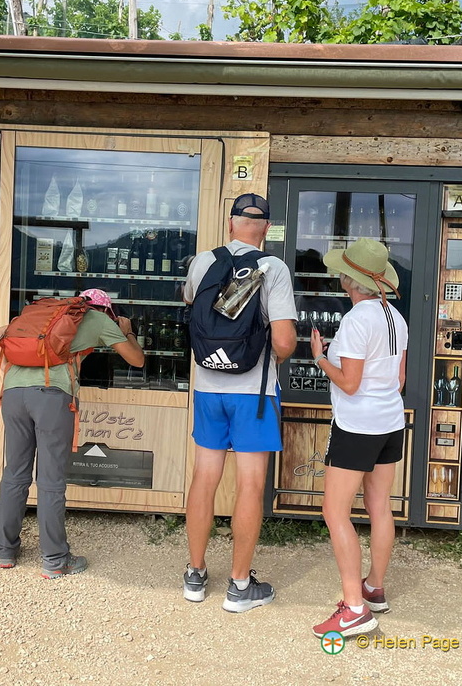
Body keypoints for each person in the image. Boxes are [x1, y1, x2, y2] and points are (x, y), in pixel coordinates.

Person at [181, 193, 297, 612]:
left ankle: (194, 575)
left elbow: (192, 306)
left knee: (204, 477)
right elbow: (283, 340)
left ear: (230, 225)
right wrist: (272, 355)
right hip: (254, 394)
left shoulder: (202, 261)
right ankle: (239, 586)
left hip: (208, 386)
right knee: (250, 484)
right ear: (265, 228)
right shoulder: (273, 267)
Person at [0, 288, 144, 578]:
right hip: (51, 395)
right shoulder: (100, 320)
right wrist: (127, 332)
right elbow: (137, 360)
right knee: (50, 480)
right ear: (106, 309)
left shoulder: (45, 316)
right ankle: (54, 559)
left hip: (12, 394)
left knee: (15, 473)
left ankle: (6, 551)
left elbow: (1, 332)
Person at [309, 238, 408, 639]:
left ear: (348, 279)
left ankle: (353, 608)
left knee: (335, 513)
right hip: (390, 422)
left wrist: (320, 357)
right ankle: (374, 588)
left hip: (356, 426)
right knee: (380, 505)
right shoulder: (394, 317)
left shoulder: (354, 320)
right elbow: (398, 380)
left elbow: (349, 385)